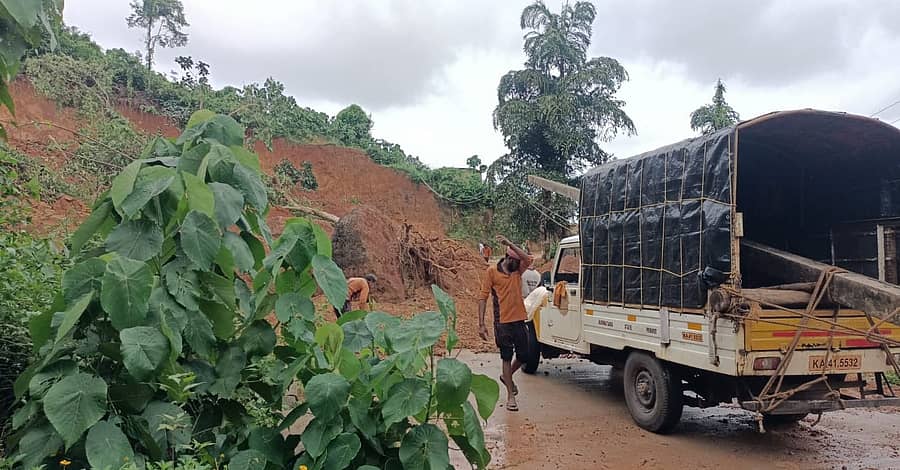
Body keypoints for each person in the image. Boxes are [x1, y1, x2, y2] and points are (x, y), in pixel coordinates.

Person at [478, 235, 533, 412]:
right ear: (508, 259)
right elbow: (483, 297)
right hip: (502, 323)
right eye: (516, 264)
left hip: (519, 320)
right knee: (506, 357)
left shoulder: (518, 270)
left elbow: (528, 259)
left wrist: (510, 243)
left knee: (525, 356)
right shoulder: (492, 272)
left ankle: (506, 376)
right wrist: (481, 324)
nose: (519, 267)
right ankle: (510, 396)